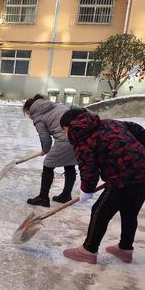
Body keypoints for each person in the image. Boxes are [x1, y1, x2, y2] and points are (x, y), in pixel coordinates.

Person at [60, 108, 145, 264]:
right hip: (143, 173)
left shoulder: (82, 139)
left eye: (64, 130)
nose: (65, 134)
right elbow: (136, 128)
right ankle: (125, 249)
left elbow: (88, 168)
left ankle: (88, 250)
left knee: (100, 212)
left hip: (122, 179)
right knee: (129, 212)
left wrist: (87, 189)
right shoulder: (110, 123)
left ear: (69, 127)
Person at [23, 94, 77, 207]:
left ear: (30, 109)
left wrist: (45, 149)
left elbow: (44, 136)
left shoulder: (38, 115)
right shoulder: (56, 106)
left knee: (48, 165)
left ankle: (43, 197)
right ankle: (66, 195)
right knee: (70, 164)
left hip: (65, 139)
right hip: (78, 138)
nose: (29, 117)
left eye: (28, 113)